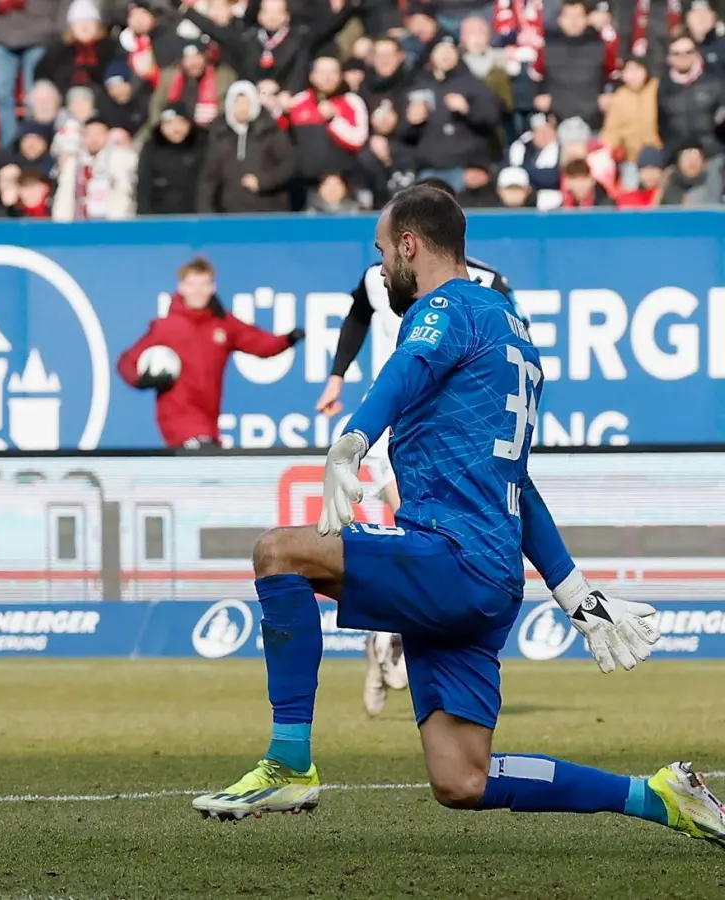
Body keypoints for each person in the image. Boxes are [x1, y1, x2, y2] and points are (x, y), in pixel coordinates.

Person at [190, 186, 725, 852]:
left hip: (450, 556)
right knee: (462, 779)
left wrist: (351, 439)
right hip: (486, 578)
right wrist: (575, 595)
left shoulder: (447, 307)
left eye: (383, 251)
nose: (382, 267)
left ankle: (289, 762)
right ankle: (660, 797)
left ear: (411, 245)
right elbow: (516, 483)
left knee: (279, 552)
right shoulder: (511, 331)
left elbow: (405, 369)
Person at [312, 176, 514, 716]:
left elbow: (502, 352)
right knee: (418, 535)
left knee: (422, 541)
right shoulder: (378, 279)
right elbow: (358, 317)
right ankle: (393, 636)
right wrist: (337, 378)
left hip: (447, 429)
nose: (381, 262)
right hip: (389, 424)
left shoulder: (488, 287)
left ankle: (387, 637)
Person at [116, 257, 303, 449]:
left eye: (204, 284)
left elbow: (258, 342)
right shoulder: (166, 327)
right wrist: (141, 380)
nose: (197, 291)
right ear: (181, 288)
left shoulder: (223, 324)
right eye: (191, 284)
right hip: (178, 418)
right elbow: (127, 362)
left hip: (209, 420)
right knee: (202, 453)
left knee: (207, 467)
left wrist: (287, 339)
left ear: (213, 287)